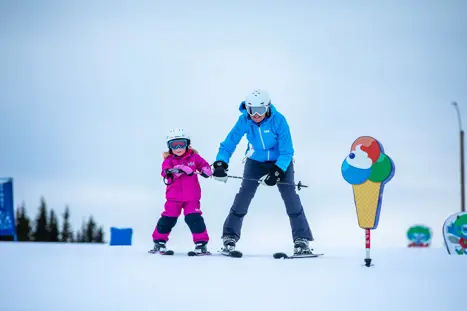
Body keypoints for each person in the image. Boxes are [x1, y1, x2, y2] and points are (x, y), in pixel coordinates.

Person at [211, 89, 315, 255]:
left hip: (280, 161)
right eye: (252, 110)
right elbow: (229, 143)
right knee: (244, 195)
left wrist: (277, 172)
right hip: (255, 161)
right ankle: (229, 237)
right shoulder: (244, 120)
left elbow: (287, 151)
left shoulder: (279, 120)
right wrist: (221, 163)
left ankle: (301, 239)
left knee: (290, 196)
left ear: (267, 107)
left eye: (260, 110)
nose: (256, 115)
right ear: (247, 109)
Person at [150, 128, 213, 254]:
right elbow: (165, 172)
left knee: (194, 218)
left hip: (192, 197)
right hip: (174, 198)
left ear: (187, 144)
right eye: (174, 145)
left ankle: (201, 244)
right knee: (169, 218)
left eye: (181, 144)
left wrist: (207, 171)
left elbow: (206, 167)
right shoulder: (169, 160)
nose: (178, 148)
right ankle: (159, 242)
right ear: (169, 147)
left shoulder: (194, 157)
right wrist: (179, 169)